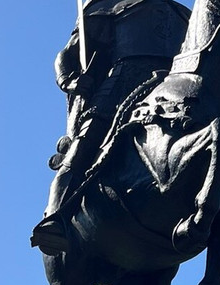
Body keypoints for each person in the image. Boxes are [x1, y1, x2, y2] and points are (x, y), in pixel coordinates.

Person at [31, 0, 191, 255]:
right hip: (124, 81)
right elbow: (68, 55)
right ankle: (56, 216)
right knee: (88, 140)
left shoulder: (185, 15)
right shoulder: (112, 6)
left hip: (175, 88)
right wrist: (69, 81)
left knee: (218, 138)